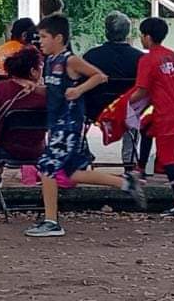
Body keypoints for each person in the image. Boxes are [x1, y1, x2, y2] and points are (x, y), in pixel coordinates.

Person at [24, 15, 145, 238]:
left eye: (44, 37)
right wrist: (36, 89)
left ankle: (51, 221)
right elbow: (55, 90)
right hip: (57, 122)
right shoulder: (49, 62)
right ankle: (124, 183)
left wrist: (79, 90)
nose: (40, 41)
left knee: (48, 166)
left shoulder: (70, 60)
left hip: (69, 123)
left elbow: (99, 76)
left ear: (58, 38)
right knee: (72, 173)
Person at [131, 17, 174, 219]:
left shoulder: (148, 59)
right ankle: (140, 171)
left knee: (167, 156)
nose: (141, 39)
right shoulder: (173, 56)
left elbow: (142, 91)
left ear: (148, 37)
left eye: (142, 35)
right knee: (146, 126)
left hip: (166, 111)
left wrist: (122, 104)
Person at [83, 11, 148, 173]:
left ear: (106, 31)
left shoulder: (91, 56)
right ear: (128, 32)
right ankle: (129, 162)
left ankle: (83, 155)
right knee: (134, 114)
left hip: (95, 110)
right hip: (127, 110)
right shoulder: (140, 58)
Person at [0, 46, 47, 187]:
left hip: (3, 151)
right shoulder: (48, 95)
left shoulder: (1, 88)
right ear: (33, 71)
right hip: (37, 152)